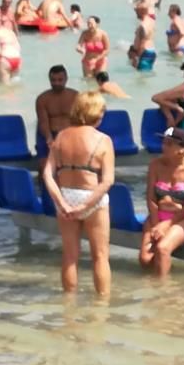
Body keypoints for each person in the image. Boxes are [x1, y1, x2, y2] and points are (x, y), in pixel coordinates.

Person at [41, 91, 115, 296]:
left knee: (70, 256)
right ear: (93, 112)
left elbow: (47, 174)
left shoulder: (61, 136)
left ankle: (69, 307)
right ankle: (102, 305)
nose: (103, 114)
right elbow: (108, 180)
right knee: (100, 256)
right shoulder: (103, 140)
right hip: (92, 198)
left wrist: (62, 203)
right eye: (102, 110)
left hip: (66, 196)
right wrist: (86, 205)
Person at [138, 127, 184, 277]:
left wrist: (167, 225)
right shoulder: (155, 165)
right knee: (145, 259)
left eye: (169, 144)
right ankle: (151, 285)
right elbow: (151, 198)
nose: (164, 146)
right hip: (157, 215)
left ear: (182, 149)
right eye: (163, 142)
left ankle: (164, 293)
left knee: (163, 249)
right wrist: (155, 222)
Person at [35, 65, 79, 165]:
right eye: (53, 80)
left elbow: (80, 120)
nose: (56, 83)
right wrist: (49, 139)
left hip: (70, 134)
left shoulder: (75, 96)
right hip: (50, 134)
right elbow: (43, 122)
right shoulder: (42, 99)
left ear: (66, 79)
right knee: (44, 165)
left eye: (60, 80)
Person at [128, 3, 157, 71]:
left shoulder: (143, 25)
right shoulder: (151, 22)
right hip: (151, 50)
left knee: (141, 78)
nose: (136, 13)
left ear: (141, 11)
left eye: (137, 11)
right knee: (145, 76)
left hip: (144, 53)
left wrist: (137, 57)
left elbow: (143, 41)